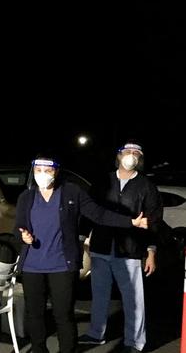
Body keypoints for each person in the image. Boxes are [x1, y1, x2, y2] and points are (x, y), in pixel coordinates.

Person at [15, 156, 148, 353]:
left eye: (47, 170)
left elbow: (99, 214)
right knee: (35, 314)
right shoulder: (26, 197)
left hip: (62, 265)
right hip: (31, 266)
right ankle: (38, 349)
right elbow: (18, 227)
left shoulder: (71, 192)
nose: (42, 174)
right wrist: (23, 235)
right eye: (38, 169)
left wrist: (131, 222)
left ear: (57, 171)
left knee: (63, 314)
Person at [78, 142, 162, 353]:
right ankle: (96, 334)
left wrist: (151, 251)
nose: (131, 156)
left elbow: (154, 221)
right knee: (99, 295)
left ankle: (134, 342)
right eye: (127, 152)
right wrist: (83, 238)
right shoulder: (103, 181)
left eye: (136, 153)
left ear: (140, 159)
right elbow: (91, 212)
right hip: (101, 247)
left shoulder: (146, 186)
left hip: (130, 251)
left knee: (134, 300)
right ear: (118, 156)